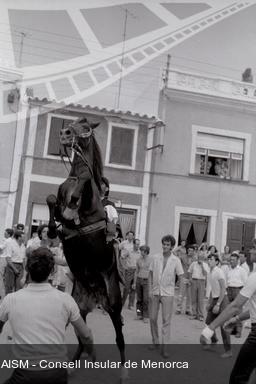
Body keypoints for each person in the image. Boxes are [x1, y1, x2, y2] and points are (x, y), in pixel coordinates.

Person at [0, 247, 94, 384]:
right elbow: (86, 335)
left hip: (25, 374)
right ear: (52, 271)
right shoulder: (66, 300)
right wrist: (91, 350)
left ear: (27, 269)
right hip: (57, 373)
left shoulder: (10, 299)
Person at [200, 248, 256, 383]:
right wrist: (237, 318)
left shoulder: (254, 276)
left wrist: (209, 329)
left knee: (238, 377)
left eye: (254, 248)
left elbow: (235, 305)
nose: (251, 251)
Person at [148, 234, 184, 358]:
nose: (165, 246)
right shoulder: (156, 257)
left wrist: (179, 294)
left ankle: (165, 347)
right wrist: (150, 290)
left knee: (166, 321)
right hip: (155, 292)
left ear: (172, 247)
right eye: (164, 244)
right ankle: (155, 341)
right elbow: (151, 274)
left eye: (167, 244)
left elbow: (181, 276)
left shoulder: (176, 260)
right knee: (152, 318)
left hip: (168, 294)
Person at [205, 254, 231, 358]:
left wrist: (218, 304)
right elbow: (213, 289)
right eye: (208, 259)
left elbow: (223, 288)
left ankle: (228, 351)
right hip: (215, 298)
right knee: (208, 321)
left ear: (216, 262)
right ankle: (214, 340)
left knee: (223, 325)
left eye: (211, 259)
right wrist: (209, 303)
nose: (209, 261)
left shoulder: (218, 271)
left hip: (222, 299)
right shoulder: (210, 272)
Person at [226, 252, 248, 338]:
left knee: (238, 311)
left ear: (237, 261)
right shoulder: (228, 269)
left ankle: (239, 331)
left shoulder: (242, 270)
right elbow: (227, 281)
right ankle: (232, 330)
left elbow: (245, 283)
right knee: (230, 311)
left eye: (233, 260)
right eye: (230, 260)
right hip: (229, 290)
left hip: (238, 290)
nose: (231, 261)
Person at [132, 245, 151, 322]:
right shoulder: (138, 260)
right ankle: (139, 314)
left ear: (146, 252)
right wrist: (134, 282)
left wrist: (151, 283)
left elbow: (152, 272)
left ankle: (146, 316)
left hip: (146, 281)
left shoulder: (151, 260)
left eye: (142, 251)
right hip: (139, 280)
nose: (140, 252)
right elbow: (136, 271)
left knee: (146, 299)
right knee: (139, 299)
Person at [188, 251, 209, 321]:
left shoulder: (205, 264)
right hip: (194, 281)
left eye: (201, 257)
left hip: (201, 282)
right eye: (199, 257)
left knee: (200, 299)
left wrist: (202, 265)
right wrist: (190, 279)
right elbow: (189, 271)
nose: (200, 258)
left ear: (203, 258)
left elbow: (205, 274)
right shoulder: (193, 263)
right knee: (193, 298)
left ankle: (201, 315)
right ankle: (194, 314)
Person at [4, 230, 26, 294]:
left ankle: (16, 302)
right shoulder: (11, 244)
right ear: (19, 237)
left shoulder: (23, 246)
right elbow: (8, 259)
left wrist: (24, 269)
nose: (25, 238)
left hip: (20, 266)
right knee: (9, 287)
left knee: (19, 287)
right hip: (11, 266)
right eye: (23, 237)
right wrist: (15, 269)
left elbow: (23, 259)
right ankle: (8, 302)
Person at [121, 238, 140, 309]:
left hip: (136, 271)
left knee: (134, 288)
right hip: (129, 271)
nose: (138, 245)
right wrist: (124, 266)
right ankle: (122, 303)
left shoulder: (140, 252)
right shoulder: (129, 251)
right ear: (134, 244)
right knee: (126, 288)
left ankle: (131, 305)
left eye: (139, 244)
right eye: (137, 244)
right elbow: (122, 257)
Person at [176, 242, 192, 316]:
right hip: (183, 277)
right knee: (181, 294)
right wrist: (179, 248)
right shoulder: (183, 256)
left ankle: (188, 309)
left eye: (191, 250)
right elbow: (174, 254)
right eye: (189, 250)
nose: (190, 252)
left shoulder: (195, 258)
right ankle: (178, 309)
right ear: (187, 250)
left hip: (191, 278)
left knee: (189, 295)